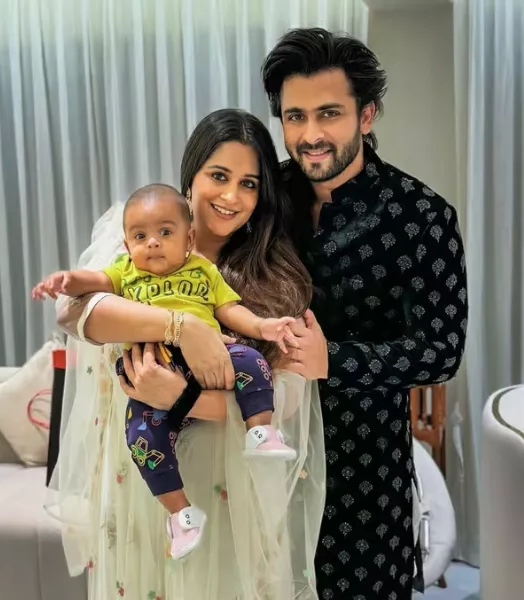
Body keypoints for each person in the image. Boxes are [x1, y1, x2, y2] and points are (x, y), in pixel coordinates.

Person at [47, 109, 327, 600]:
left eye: (248, 184)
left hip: (227, 484)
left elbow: (285, 400)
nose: (231, 196)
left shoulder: (271, 275)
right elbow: (76, 313)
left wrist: (180, 398)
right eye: (218, 176)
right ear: (191, 173)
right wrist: (184, 326)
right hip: (146, 482)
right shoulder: (139, 231)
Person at [261, 28, 468, 599]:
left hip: (365, 486)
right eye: (295, 116)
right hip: (261, 464)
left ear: (366, 114)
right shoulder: (264, 200)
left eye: (329, 113)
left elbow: (441, 351)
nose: (310, 135)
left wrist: (335, 360)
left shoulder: (422, 216)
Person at [35, 183, 298, 560]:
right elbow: (91, 286)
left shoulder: (203, 270)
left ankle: (261, 431)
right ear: (127, 246)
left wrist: (262, 326)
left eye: (165, 232)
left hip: (211, 357)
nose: (153, 243)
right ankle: (181, 515)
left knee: (252, 362)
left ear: (188, 239)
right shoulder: (125, 272)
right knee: (140, 438)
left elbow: (229, 310)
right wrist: (66, 280)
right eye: (140, 236)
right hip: (154, 369)